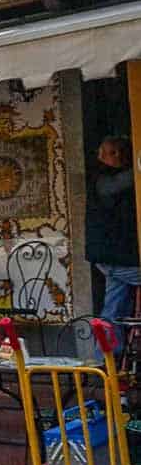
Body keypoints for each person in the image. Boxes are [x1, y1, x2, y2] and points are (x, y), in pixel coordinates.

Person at [86, 135, 141, 352]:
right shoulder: (103, 177)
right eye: (115, 152)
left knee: (113, 308)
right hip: (117, 255)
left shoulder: (103, 176)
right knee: (113, 308)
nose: (121, 156)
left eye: (123, 151)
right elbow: (122, 183)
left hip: (109, 256)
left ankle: (106, 361)